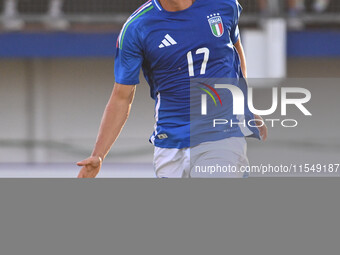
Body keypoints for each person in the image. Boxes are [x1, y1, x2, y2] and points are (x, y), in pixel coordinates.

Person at [77, 0, 268, 178]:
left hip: (221, 134)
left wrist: (245, 104)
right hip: (169, 144)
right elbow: (121, 97)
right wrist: (98, 155)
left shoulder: (224, 4)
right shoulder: (137, 27)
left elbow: (235, 51)